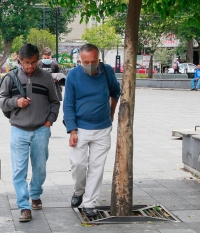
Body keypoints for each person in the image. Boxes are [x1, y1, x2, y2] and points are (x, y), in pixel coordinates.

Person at [0, 44, 60, 222]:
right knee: (19, 170)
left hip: (41, 129)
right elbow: (0, 100)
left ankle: (36, 194)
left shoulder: (46, 77)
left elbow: (55, 101)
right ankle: (24, 206)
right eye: (26, 63)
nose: (30, 66)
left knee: (40, 168)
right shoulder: (11, 77)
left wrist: (50, 121)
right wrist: (16, 102)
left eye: (33, 62)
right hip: (18, 130)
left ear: (38, 59)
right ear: (19, 61)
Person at [63, 43, 121, 217]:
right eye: (85, 62)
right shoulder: (73, 75)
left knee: (97, 167)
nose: (89, 65)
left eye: (93, 61)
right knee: (78, 164)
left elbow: (115, 92)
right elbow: (68, 104)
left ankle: (90, 203)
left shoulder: (107, 72)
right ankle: (79, 191)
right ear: (80, 60)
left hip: (102, 128)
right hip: (80, 128)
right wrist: (72, 130)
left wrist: (111, 113)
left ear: (99, 60)